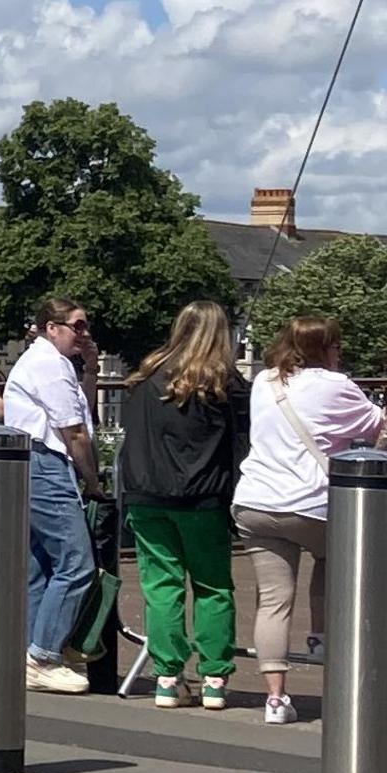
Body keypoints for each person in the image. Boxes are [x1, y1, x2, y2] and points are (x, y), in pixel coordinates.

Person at [229, 315, 387, 727]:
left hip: (256, 501)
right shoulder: (336, 385)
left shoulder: (265, 381)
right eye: (335, 345)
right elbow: (377, 427)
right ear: (326, 349)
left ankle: (276, 699)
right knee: (333, 557)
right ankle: (320, 639)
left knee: (274, 601)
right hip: (311, 503)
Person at [119, 300, 248, 710]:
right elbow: (242, 445)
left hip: (146, 495)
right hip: (204, 498)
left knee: (161, 587)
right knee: (213, 587)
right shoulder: (225, 383)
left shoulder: (144, 378)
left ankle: (167, 677)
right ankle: (213, 678)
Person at [3, 297, 101, 694]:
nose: (85, 333)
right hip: (45, 463)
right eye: (77, 326)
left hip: (31, 463)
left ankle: (29, 651)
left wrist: (91, 368)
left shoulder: (51, 364)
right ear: (51, 328)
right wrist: (92, 479)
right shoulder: (48, 365)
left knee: (41, 564)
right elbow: (73, 431)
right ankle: (43, 655)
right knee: (77, 564)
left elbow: (84, 410)